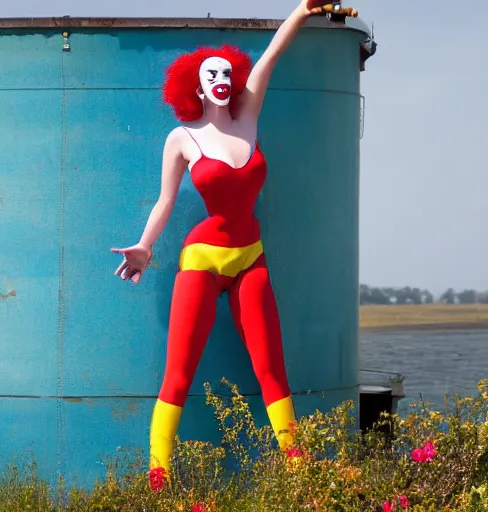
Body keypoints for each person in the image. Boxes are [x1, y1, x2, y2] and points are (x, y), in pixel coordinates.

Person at [111, 1, 357, 490]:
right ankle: (158, 478)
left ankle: (299, 470)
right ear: (197, 87)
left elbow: (269, 57)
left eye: (226, 71)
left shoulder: (249, 116)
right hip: (201, 260)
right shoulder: (183, 138)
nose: (221, 78)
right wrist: (144, 246)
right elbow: (164, 201)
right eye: (211, 74)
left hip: (252, 257)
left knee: (272, 370)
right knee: (178, 374)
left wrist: (302, 10)